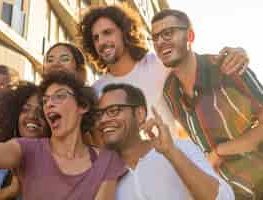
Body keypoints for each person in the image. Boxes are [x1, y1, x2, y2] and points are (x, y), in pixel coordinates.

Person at [79, 4, 249, 138]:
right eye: (95, 38)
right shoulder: (97, 91)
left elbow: (198, 63)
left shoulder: (157, 64)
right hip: (131, 177)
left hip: (176, 169)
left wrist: (239, 51)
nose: (101, 42)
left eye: (107, 33)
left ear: (124, 33)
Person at [151, 9, 263, 199]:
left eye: (168, 33)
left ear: (190, 36)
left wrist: (220, 152)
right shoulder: (169, 92)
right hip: (223, 190)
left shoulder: (227, 67)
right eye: (155, 37)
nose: (161, 42)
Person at [0, 71, 126, 200]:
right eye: (46, 100)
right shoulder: (26, 149)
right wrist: (8, 192)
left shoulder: (106, 160)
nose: (49, 104)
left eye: (60, 96)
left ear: (82, 105)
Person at [95, 83, 234, 200]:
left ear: (139, 114)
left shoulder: (180, 147)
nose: (103, 120)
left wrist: (171, 152)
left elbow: (222, 197)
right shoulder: (104, 176)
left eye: (113, 111)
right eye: (99, 115)